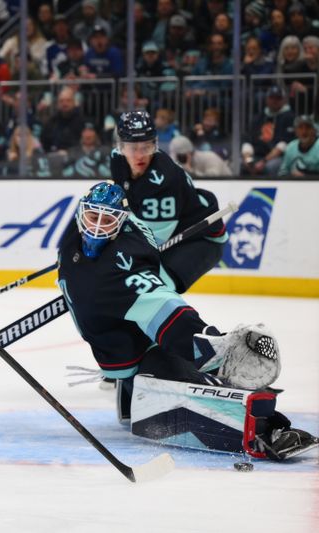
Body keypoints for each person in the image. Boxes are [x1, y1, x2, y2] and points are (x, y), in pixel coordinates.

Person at [56, 181, 318, 460]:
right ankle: (261, 429)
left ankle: (262, 422)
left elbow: (162, 308)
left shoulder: (119, 265)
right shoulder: (77, 244)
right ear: (81, 212)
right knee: (184, 379)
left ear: (120, 222)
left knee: (193, 378)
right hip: (129, 350)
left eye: (107, 220)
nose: (97, 226)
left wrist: (208, 345)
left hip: (136, 348)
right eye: (92, 216)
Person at [110, 110, 227, 293]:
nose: (140, 155)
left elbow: (152, 241)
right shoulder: (116, 160)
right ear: (121, 147)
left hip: (200, 239)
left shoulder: (164, 180)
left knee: (154, 290)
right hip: (169, 231)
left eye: (146, 147)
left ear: (155, 144)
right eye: (133, 148)